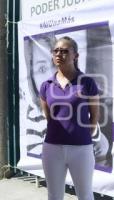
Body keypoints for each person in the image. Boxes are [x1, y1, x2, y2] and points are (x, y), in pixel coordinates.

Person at [39, 36, 98, 200]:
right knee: (54, 195)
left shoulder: (87, 82)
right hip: (52, 148)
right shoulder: (46, 85)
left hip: (81, 149)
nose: (59, 54)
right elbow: (49, 116)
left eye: (65, 51)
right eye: (56, 51)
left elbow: (94, 115)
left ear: (75, 56)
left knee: (85, 195)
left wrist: (83, 134)